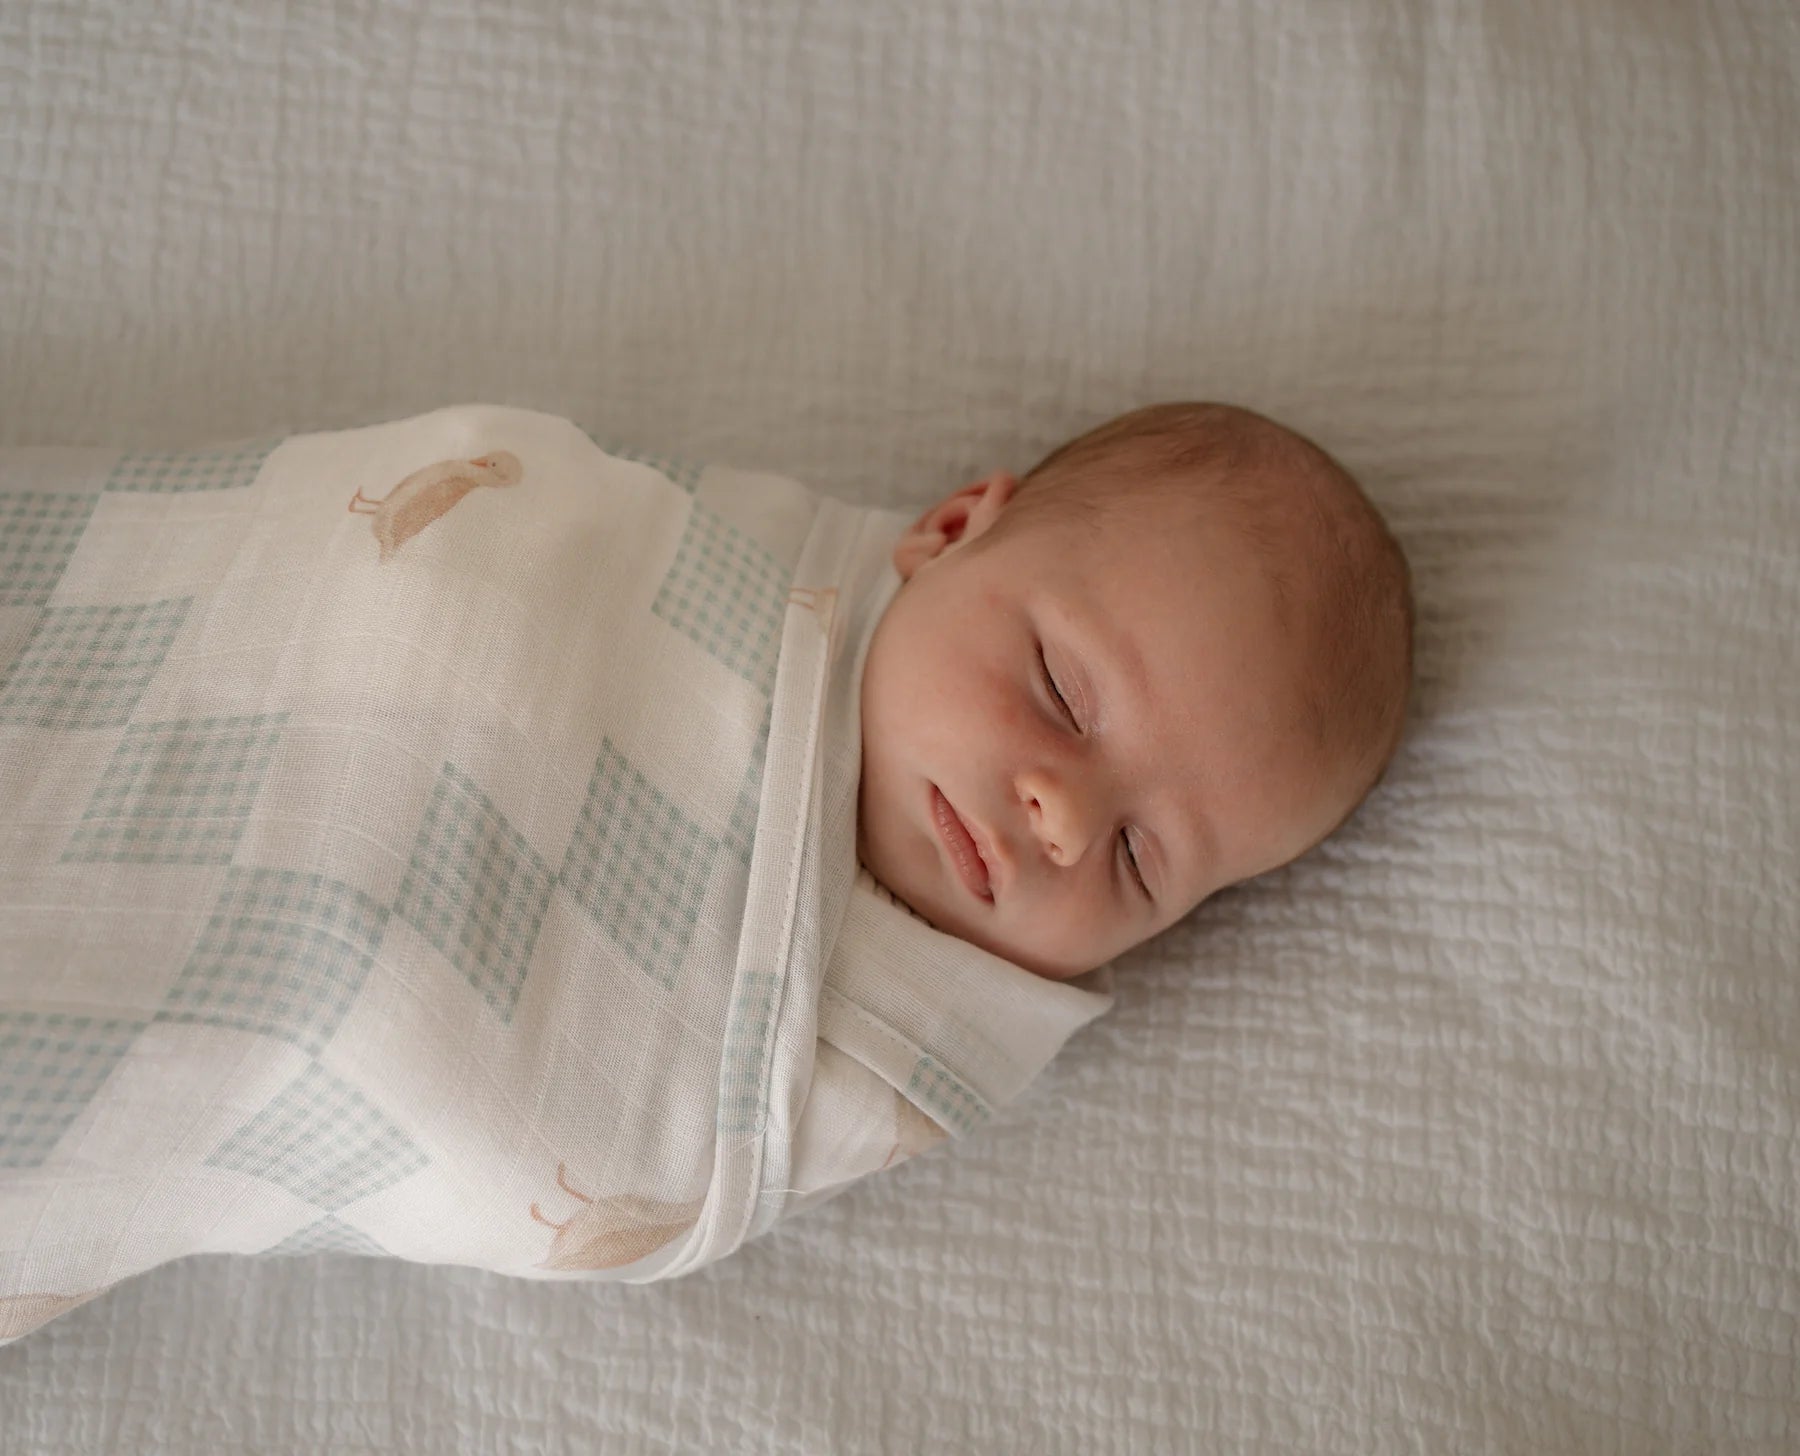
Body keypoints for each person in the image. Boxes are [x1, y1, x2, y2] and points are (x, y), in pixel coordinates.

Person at [858, 402, 1414, 980]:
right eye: (1060, 694)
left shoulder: (939, 1024)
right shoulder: (794, 570)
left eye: (1135, 861)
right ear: (952, 532)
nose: (1065, 824)